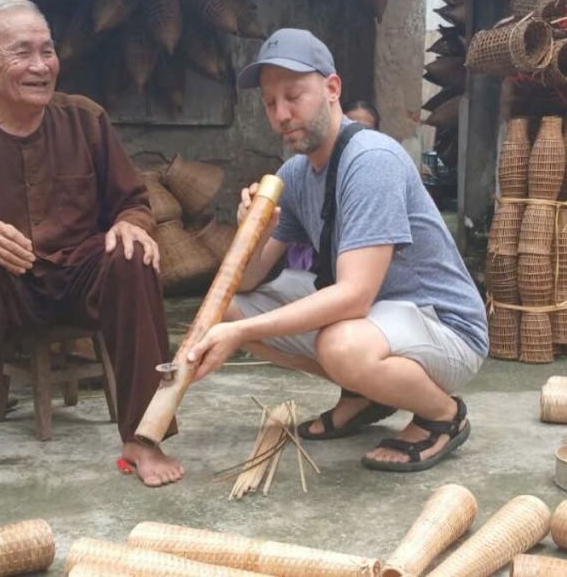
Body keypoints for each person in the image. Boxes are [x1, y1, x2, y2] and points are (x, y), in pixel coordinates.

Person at [0, 0, 183, 489]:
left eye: (47, 50)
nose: (40, 66)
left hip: (80, 279)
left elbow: (131, 200)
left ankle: (144, 436)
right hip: (4, 289)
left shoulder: (85, 119)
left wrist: (131, 222)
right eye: (22, 53)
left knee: (133, 256)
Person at [186, 29, 488, 472]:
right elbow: (245, 283)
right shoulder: (296, 173)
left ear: (332, 89)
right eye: (270, 103)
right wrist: (255, 232)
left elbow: (354, 296)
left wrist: (241, 336)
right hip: (379, 320)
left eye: (294, 96)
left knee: (340, 346)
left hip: (444, 326)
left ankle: (442, 416)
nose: (281, 115)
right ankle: (365, 393)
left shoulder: (371, 160)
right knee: (230, 310)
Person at [285, 100, 380, 271]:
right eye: (350, 128)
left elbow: (358, 281)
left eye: (365, 130)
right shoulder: (297, 174)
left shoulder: (377, 172)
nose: (355, 137)